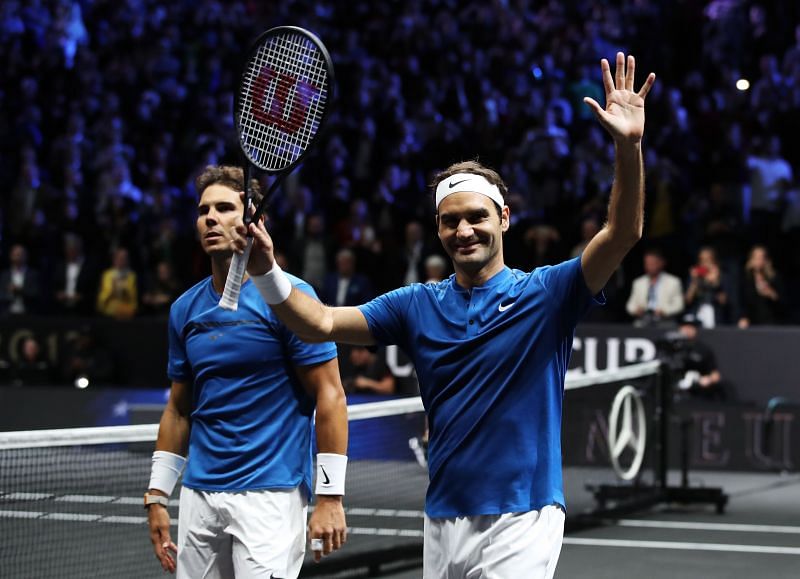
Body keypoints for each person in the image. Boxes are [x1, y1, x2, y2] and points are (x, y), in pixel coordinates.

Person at [235, 53, 655, 578]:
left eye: (477, 217)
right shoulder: (415, 304)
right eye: (450, 221)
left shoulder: (549, 293)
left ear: (503, 218)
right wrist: (266, 270)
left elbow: (622, 235)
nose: (464, 231)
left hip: (522, 515)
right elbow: (318, 322)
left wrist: (628, 147)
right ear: (437, 229)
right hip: (443, 516)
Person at [145, 166, 348, 578]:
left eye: (224, 208)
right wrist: (157, 495)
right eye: (204, 210)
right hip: (200, 494)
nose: (211, 218)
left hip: (270, 494)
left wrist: (330, 497)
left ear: (255, 220)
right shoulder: (185, 310)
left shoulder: (292, 300)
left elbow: (331, 396)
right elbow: (179, 410)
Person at [625, 247, 684, 326]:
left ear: (661, 263)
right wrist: (636, 310)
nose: (650, 266)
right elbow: (630, 305)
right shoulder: (638, 283)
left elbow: (679, 305)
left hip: (665, 322)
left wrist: (664, 311)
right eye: (647, 263)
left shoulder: (673, 282)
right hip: (643, 321)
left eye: (653, 263)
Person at [738, 244, 786, 327]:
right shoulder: (745, 279)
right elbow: (741, 301)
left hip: (772, 323)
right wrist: (743, 317)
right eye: (756, 258)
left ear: (767, 260)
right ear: (751, 260)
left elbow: (785, 304)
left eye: (762, 257)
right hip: (752, 323)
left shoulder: (774, 278)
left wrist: (772, 294)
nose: (759, 260)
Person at [96, 247, 138, 319]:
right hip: (109, 312)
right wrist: (112, 289)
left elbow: (134, 297)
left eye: (124, 258)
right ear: (114, 259)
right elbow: (102, 296)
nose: (122, 260)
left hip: (126, 312)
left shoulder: (131, 276)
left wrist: (125, 289)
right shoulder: (107, 275)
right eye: (120, 258)